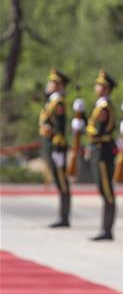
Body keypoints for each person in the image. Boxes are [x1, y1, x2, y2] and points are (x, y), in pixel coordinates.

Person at [82, 69, 118, 241]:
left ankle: (107, 229)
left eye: (99, 85)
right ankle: (105, 228)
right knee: (103, 190)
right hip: (99, 149)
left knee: (107, 191)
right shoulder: (100, 106)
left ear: (106, 88)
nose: (96, 87)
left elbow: (97, 130)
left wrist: (83, 123)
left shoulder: (104, 107)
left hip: (103, 151)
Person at [39, 68, 71, 228]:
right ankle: (62, 216)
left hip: (57, 146)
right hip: (51, 144)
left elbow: (60, 126)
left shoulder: (58, 102)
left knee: (62, 182)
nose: (49, 84)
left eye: (52, 82)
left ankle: (64, 217)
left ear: (58, 85)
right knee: (59, 182)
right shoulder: (52, 101)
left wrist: (58, 146)